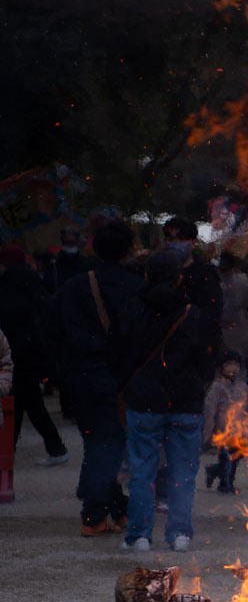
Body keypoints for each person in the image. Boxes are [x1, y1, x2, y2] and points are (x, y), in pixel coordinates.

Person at [117, 249, 218, 553]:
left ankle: (140, 535)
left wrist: (128, 385)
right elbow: (206, 358)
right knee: (183, 471)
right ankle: (179, 533)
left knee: (142, 470)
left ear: (146, 276)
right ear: (179, 279)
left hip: (144, 400)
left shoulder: (132, 308)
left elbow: (120, 353)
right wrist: (197, 385)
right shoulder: (193, 313)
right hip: (185, 402)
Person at [57, 221, 143, 534]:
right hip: (115, 378)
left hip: (78, 376)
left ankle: (117, 509)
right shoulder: (134, 287)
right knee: (107, 445)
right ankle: (94, 515)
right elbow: (136, 337)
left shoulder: (75, 285)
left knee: (96, 442)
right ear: (127, 251)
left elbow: (56, 329)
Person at [0, 245, 67, 464]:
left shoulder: (7, 286)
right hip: (33, 352)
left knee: (25, 402)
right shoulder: (33, 282)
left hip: (15, 352)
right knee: (24, 402)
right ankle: (12, 450)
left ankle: (52, 449)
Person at [202, 352, 248, 493]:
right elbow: (209, 409)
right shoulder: (217, 388)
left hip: (238, 432)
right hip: (223, 433)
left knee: (234, 458)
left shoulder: (241, 386)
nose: (233, 368)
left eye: (236, 365)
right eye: (229, 364)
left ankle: (214, 471)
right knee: (229, 459)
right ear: (221, 368)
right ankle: (225, 485)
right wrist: (208, 432)